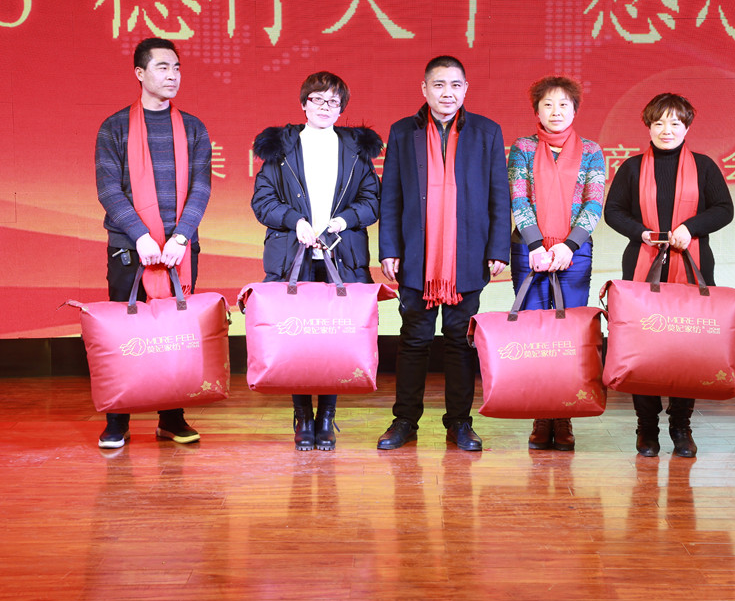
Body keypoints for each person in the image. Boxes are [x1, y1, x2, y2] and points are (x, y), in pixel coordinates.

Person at [376, 55, 511, 452]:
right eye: (439, 85)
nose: (447, 93)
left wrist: (497, 247)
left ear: (465, 89)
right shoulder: (403, 131)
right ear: (424, 89)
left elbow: (499, 195)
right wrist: (389, 248)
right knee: (414, 339)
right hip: (416, 255)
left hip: (467, 253)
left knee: (459, 340)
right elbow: (391, 195)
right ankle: (405, 420)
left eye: (455, 85)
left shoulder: (486, 131)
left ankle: (459, 423)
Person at [251, 71, 382, 451]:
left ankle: (326, 416)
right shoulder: (281, 148)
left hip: (342, 256)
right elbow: (262, 201)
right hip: (292, 256)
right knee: (297, 339)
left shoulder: (355, 150)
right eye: (318, 100)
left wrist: (343, 220)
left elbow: (372, 201)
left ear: (342, 109)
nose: (325, 107)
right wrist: (296, 222)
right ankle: (302, 416)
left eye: (334, 102)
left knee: (333, 339)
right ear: (303, 103)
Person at [94, 38, 212, 449]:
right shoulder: (114, 127)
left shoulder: (193, 128)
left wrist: (181, 236)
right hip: (130, 248)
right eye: (163, 67)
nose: (172, 75)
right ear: (140, 73)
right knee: (125, 335)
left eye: (177, 67)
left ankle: (171, 418)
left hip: (179, 249)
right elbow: (108, 189)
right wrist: (140, 235)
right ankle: (118, 419)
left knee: (174, 334)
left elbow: (201, 188)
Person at [603, 93, 733, 458]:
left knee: (685, 346)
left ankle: (680, 426)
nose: (667, 130)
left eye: (675, 123)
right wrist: (641, 233)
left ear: (687, 127)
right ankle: (646, 427)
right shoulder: (631, 167)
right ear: (648, 126)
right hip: (642, 266)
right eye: (659, 122)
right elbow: (613, 211)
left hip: (692, 265)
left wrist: (691, 228)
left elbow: (724, 209)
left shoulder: (704, 166)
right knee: (642, 346)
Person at [507, 76, 606, 451]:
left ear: (575, 110)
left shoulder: (592, 151)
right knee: (535, 334)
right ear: (537, 111)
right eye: (547, 104)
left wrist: (569, 246)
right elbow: (518, 198)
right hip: (528, 250)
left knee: (569, 336)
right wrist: (536, 244)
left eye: (564, 104)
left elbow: (594, 203)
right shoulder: (522, 148)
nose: (556, 111)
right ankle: (540, 414)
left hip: (574, 253)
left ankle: (563, 415)